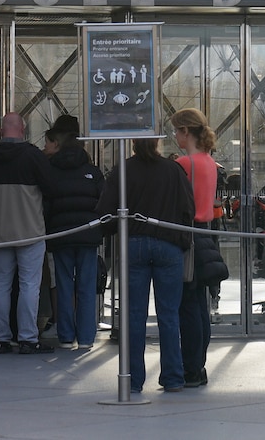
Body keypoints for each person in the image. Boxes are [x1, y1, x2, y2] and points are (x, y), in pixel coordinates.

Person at [95, 137, 194, 393]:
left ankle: (133, 379)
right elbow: (188, 209)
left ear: (134, 145)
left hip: (134, 244)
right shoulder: (173, 170)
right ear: (157, 143)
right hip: (169, 244)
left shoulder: (123, 170)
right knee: (169, 315)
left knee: (133, 316)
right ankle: (173, 377)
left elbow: (106, 211)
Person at [0, 112, 61, 355]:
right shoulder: (33, 156)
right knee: (29, 285)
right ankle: (28, 338)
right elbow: (52, 188)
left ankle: (1, 338)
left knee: (0, 284)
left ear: (2, 131)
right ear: (22, 129)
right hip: (29, 229)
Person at [171, 108, 229, 388]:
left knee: (187, 305)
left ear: (186, 132)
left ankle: (191, 366)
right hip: (206, 232)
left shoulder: (184, 163)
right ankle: (198, 365)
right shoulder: (209, 162)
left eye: (176, 131)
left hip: (187, 234)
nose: (174, 136)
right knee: (199, 304)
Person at [42, 116, 104, 351]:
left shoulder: (51, 170)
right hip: (87, 235)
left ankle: (66, 336)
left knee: (64, 285)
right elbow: (103, 201)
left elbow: (46, 204)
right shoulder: (93, 171)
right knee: (86, 286)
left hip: (61, 235)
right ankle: (87, 337)